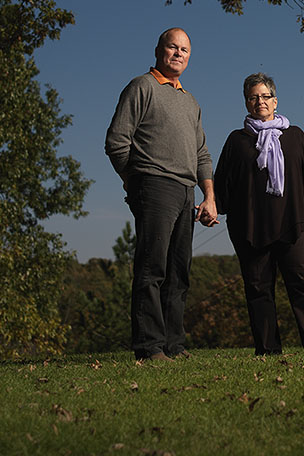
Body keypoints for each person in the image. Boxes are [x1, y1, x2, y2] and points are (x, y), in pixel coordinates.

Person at [105, 27, 218, 362]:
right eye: (173, 47)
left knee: (178, 271)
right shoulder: (142, 87)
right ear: (159, 50)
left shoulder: (190, 101)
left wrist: (209, 197)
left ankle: (173, 345)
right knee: (152, 268)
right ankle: (149, 347)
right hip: (154, 185)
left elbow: (202, 154)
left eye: (184, 50)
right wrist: (133, 181)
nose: (178, 53)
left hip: (186, 191)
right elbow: (117, 142)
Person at [214, 72, 304, 356]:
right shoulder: (236, 141)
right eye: (253, 97)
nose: (260, 102)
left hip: (294, 223)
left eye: (265, 96)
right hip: (251, 227)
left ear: (275, 101)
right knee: (258, 289)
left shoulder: (295, 136)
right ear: (246, 103)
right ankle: (267, 350)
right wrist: (213, 207)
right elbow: (223, 183)